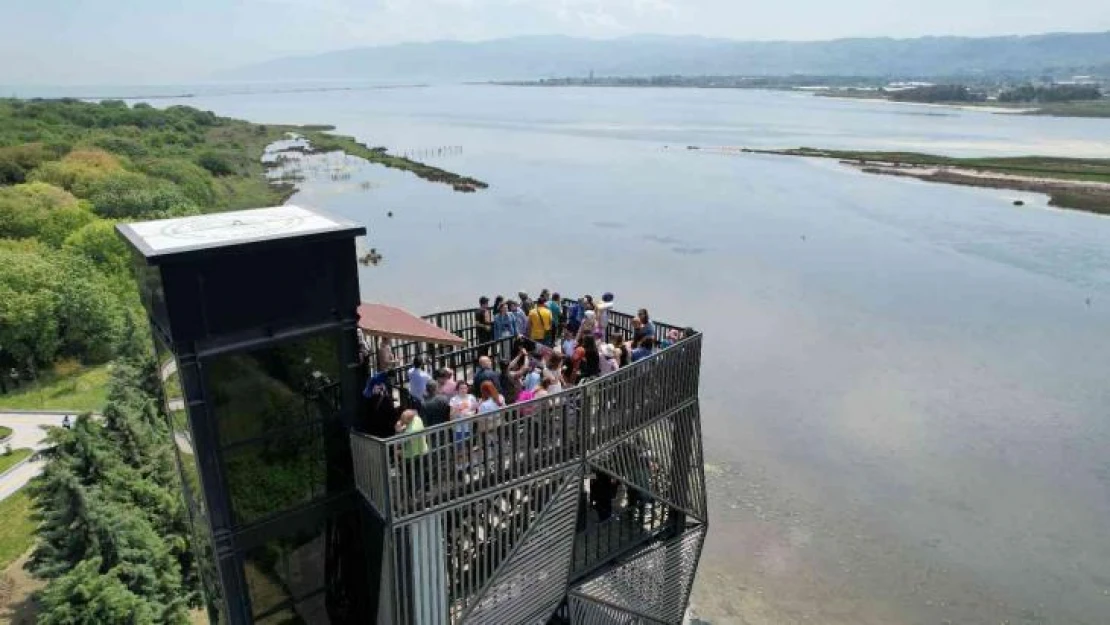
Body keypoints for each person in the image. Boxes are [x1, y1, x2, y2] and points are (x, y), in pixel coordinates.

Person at [395, 409, 428, 502]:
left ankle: (413, 497)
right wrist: (403, 426)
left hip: (411, 456)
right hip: (422, 451)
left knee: (411, 477)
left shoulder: (410, 432)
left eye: (403, 418)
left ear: (408, 420)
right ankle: (420, 494)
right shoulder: (417, 419)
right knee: (420, 475)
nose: (401, 419)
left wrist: (398, 430)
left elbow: (398, 441)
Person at [363, 372, 399, 438]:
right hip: (384, 432)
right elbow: (392, 416)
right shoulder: (380, 381)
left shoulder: (370, 402)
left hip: (375, 432)